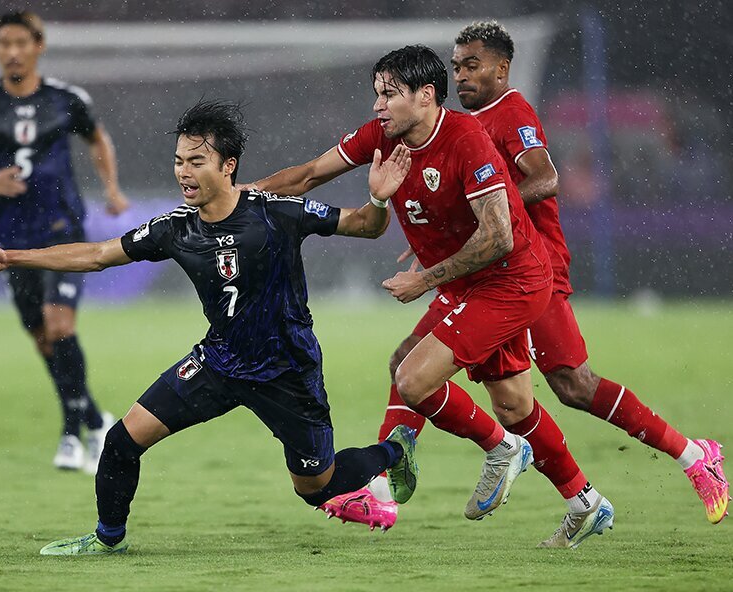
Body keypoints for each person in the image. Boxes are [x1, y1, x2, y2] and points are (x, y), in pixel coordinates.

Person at [0, 99, 420, 555]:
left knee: (316, 488)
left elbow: (364, 225)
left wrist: (378, 197)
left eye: (196, 161)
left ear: (228, 165)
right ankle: (106, 538)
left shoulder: (275, 212)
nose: (183, 172)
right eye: (179, 161)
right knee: (120, 442)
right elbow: (97, 255)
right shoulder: (174, 228)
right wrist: (10, 257)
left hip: (287, 371)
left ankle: (394, 450)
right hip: (218, 362)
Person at [328, 22, 729, 532]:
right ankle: (577, 501)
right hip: (486, 271)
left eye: (472, 65)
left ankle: (694, 455)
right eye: (456, 66)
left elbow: (546, 177)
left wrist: (484, 209)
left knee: (572, 385)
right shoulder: (453, 125)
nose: (463, 75)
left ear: (502, 68)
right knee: (475, 385)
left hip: (528, 267)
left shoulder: (510, 112)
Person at [251, 45, 615, 548]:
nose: (378, 105)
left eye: (389, 94)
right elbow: (311, 174)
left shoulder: (467, 139)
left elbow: (499, 237)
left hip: (513, 282)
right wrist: (243, 197)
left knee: (413, 378)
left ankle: (496, 451)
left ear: (425, 96)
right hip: (467, 284)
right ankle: (585, 501)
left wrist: (424, 279)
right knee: (511, 404)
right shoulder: (383, 134)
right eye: (376, 93)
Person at [0, 11, 130, 473]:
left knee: (59, 324)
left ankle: (71, 435)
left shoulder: (66, 99)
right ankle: (95, 418)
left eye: (20, 43)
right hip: (10, 245)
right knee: (43, 339)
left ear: (37, 46)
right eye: (3, 43)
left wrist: (111, 189)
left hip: (62, 231)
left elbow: (98, 141)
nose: (12, 52)